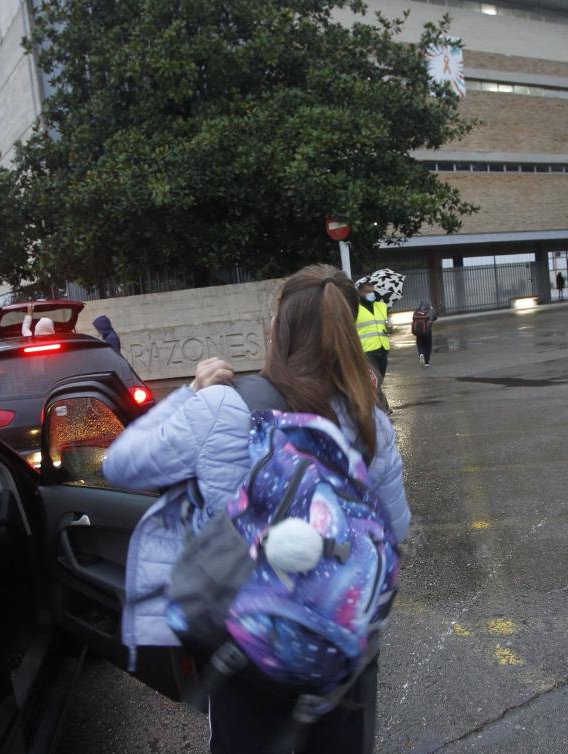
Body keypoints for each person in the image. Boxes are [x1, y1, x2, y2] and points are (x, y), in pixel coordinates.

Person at [103, 265, 409, 754]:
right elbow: (396, 527)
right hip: (336, 648)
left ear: (278, 329)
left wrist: (190, 394)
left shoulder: (223, 407)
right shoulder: (371, 423)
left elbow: (121, 466)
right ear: (347, 331)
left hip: (245, 647)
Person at [355, 281, 390, 377]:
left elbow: (382, 324)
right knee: (371, 380)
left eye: (372, 291)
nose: (371, 294)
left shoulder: (381, 306)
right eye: (367, 291)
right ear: (359, 292)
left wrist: (389, 327)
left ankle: (376, 391)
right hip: (367, 351)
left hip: (383, 349)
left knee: (380, 378)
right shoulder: (354, 309)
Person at [411, 300, 438, 366]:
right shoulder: (430, 311)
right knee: (428, 345)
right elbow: (435, 317)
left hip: (418, 332)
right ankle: (426, 361)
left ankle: (421, 354)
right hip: (427, 332)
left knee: (420, 345)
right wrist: (432, 309)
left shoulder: (416, 311)